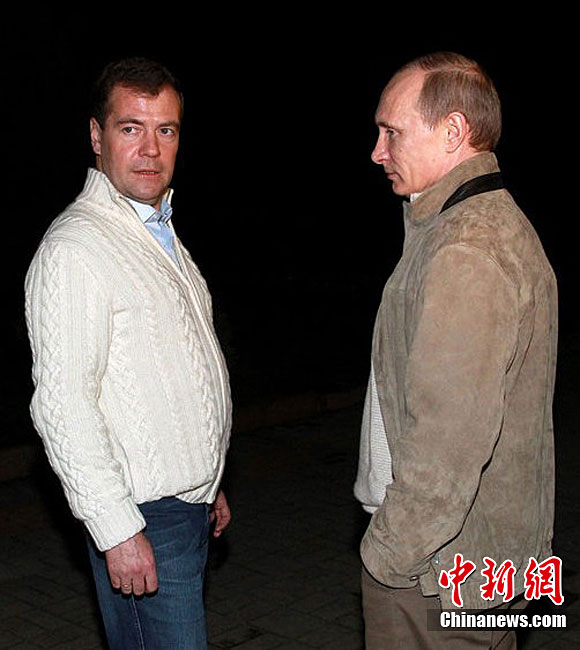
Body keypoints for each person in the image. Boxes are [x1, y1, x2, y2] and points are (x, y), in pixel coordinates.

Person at [25, 57, 232, 649]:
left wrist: (209, 478)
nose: (150, 149)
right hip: (143, 518)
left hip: (183, 509)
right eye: (130, 128)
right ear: (97, 136)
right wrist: (116, 529)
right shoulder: (77, 248)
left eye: (165, 129)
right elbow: (63, 403)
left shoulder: (155, 230)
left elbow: (170, 371)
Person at [354, 52, 557, 649]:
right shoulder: (456, 224)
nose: (377, 151)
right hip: (469, 563)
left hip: (439, 572)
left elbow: (449, 442)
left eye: (392, 132)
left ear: (452, 132)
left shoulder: (467, 249)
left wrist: (388, 553)